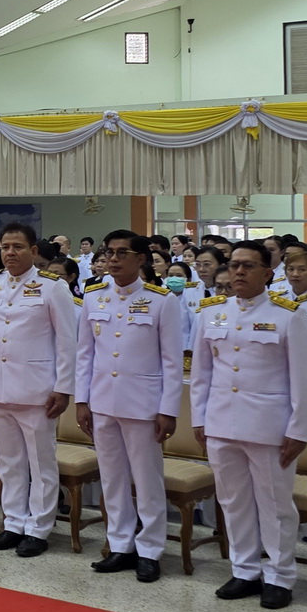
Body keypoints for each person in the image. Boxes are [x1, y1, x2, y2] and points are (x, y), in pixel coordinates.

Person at [189, 241, 307, 610]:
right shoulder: (210, 314)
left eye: (248, 266)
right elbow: (201, 374)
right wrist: (200, 418)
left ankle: (279, 575)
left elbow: (303, 381)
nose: (238, 272)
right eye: (234, 265)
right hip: (221, 421)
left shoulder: (288, 316)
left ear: (268, 273)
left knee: (275, 504)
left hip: (269, 426)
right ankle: (244, 569)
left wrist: (298, 430)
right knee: (233, 500)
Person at [73, 230, 182, 582]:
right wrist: (82, 399)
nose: (114, 259)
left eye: (123, 253)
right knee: (112, 477)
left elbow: (171, 361)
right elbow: (85, 354)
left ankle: (150, 548)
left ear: (141, 260)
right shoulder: (93, 297)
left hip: (143, 405)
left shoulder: (162, 300)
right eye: (110, 253)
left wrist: (168, 409)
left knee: (147, 480)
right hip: (103, 400)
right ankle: (120, 544)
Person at [0, 224, 77, 556]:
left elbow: (67, 342)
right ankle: (13, 522)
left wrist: (63, 387)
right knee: (9, 461)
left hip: (37, 389)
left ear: (33, 251)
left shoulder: (52, 287)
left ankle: (39, 528)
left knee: (41, 462)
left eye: (18, 247)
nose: (10, 253)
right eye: (5, 247)